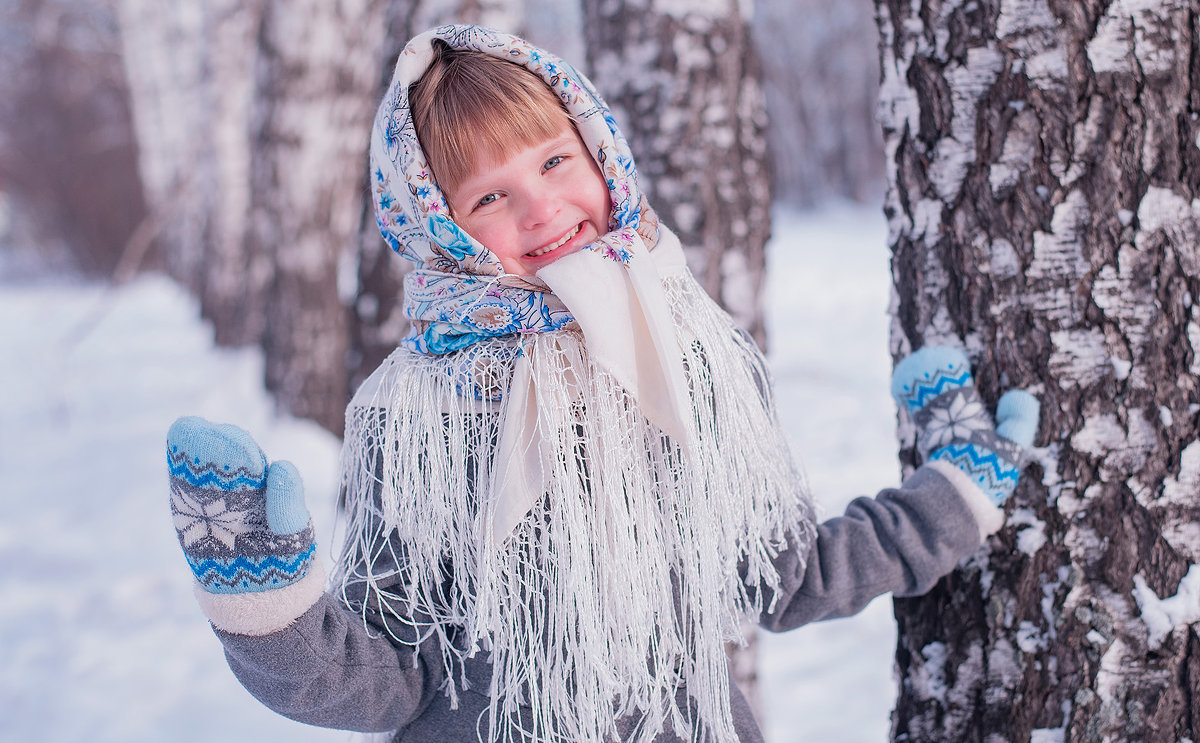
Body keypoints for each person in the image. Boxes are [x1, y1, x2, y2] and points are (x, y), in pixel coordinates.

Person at [164, 24, 1040, 743]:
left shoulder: (690, 353)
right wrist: (266, 610)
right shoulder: (417, 415)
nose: (542, 208)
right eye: (487, 199)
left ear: (599, 147)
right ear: (433, 226)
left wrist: (951, 496)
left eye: (553, 162)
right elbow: (389, 680)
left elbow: (788, 574)